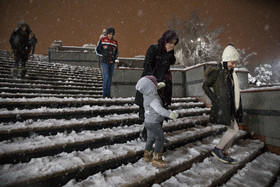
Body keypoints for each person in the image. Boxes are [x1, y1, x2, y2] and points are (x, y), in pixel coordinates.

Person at [202, 43, 243, 164]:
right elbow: (205, 86)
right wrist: (214, 99)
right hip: (222, 107)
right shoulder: (217, 73)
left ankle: (224, 152)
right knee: (234, 129)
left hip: (230, 107)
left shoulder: (230, 74)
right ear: (226, 60)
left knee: (233, 129)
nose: (234, 65)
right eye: (232, 62)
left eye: (235, 63)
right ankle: (218, 149)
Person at [135, 30, 179, 141]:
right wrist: (154, 83)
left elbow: (168, 67)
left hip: (164, 85)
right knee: (151, 111)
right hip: (153, 85)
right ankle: (147, 135)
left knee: (161, 110)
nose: (173, 45)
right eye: (171, 42)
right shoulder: (154, 49)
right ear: (165, 41)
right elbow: (147, 66)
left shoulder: (170, 54)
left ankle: (156, 135)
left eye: (174, 43)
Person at [136, 75, 179, 168]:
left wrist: (158, 85)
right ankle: (157, 159)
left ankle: (147, 155)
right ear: (151, 87)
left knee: (150, 139)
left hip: (148, 122)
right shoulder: (154, 99)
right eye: (154, 84)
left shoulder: (146, 94)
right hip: (154, 122)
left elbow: (149, 89)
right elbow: (158, 109)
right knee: (160, 139)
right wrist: (170, 114)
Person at [96, 27, 118, 98]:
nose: (111, 35)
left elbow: (116, 52)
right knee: (106, 77)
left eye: (112, 34)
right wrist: (103, 55)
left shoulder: (115, 42)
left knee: (110, 78)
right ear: (107, 34)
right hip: (105, 62)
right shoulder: (102, 40)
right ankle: (104, 94)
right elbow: (97, 50)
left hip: (111, 63)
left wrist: (115, 57)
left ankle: (108, 94)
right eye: (109, 34)